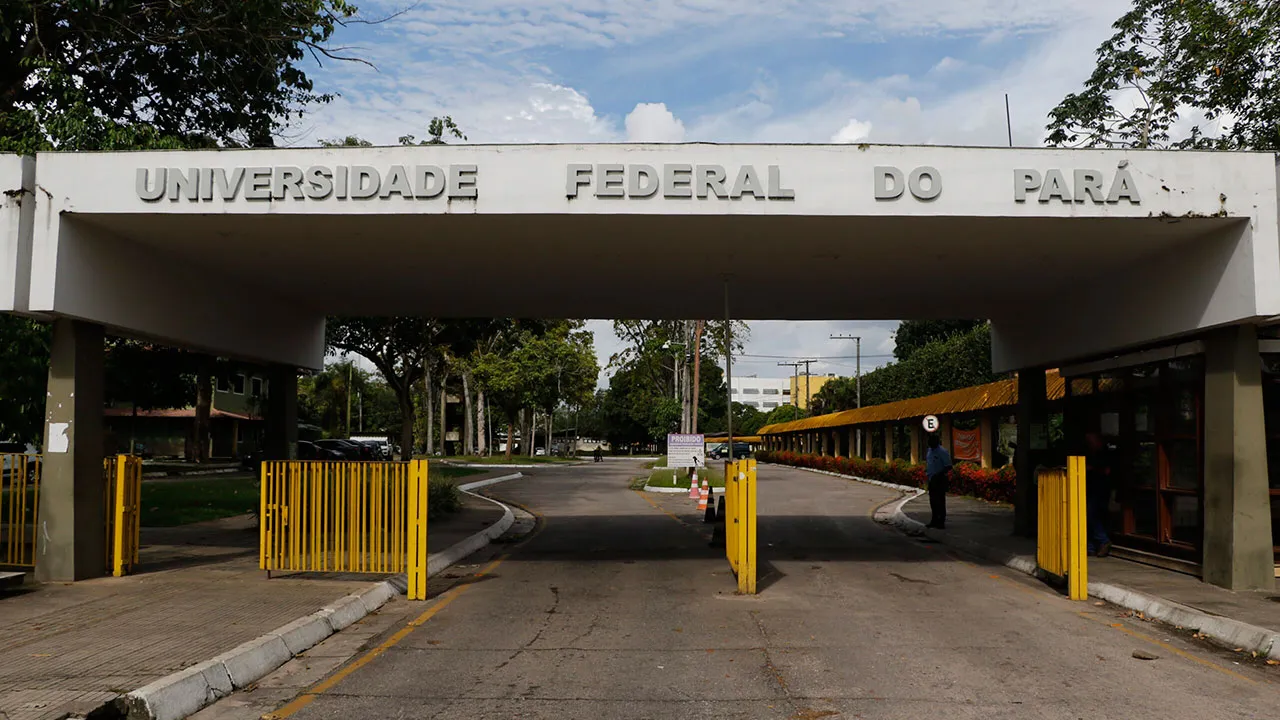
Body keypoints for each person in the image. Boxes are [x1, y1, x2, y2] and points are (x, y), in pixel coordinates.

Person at [1084, 431, 1113, 557]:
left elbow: (1106, 471)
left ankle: (1103, 540)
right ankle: (1090, 546)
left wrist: (1091, 469)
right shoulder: (1091, 452)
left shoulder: (1104, 453)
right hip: (1092, 487)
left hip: (1100, 487)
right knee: (1090, 516)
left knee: (1092, 515)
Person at [924, 434, 952, 529]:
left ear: (936, 441)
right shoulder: (929, 451)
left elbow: (948, 466)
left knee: (940, 501)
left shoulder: (942, 452)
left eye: (931, 442)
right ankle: (934, 520)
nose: (930, 443)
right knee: (933, 501)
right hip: (931, 479)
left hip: (940, 479)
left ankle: (941, 521)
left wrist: (938, 475)